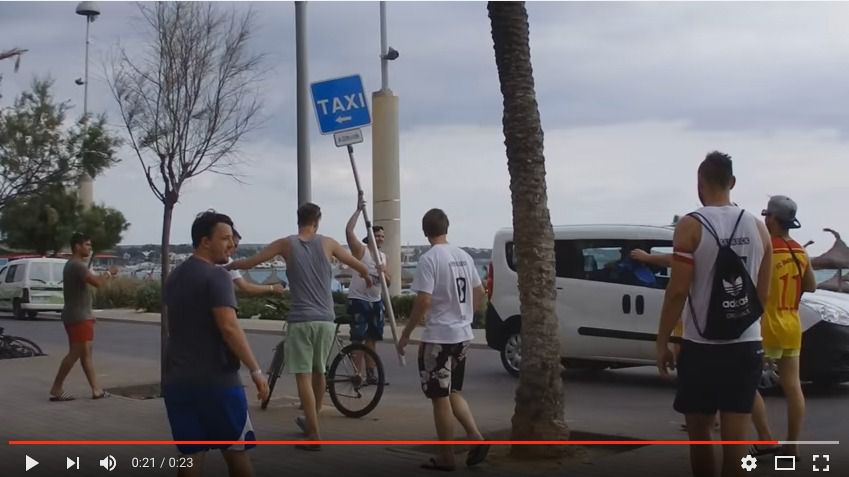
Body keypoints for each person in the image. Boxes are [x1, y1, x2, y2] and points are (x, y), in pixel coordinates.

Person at [656, 151, 772, 477]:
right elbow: (762, 293)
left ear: (700, 184)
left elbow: (678, 291)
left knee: (701, 436)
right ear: (732, 182)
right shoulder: (759, 228)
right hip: (746, 344)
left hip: (700, 345)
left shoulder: (691, 225)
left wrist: (662, 340)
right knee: (735, 443)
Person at [228, 202, 372, 451]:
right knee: (319, 373)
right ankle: (311, 422)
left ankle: (314, 434)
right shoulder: (328, 243)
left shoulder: (286, 243)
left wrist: (229, 265)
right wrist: (368, 277)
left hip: (301, 320)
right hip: (326, 320)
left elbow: (252, 261)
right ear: (318, 221)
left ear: (298, 220)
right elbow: (358, 263)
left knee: (303, 376)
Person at [163, 211, 269, 477]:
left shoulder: (174, 277)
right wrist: (256, 370)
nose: (231, 244)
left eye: (232, 239)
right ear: (204, 241)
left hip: (177, 382)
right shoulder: (218, 276)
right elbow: (229, 327)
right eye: (225, 238)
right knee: (236, 453)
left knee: (190, 456)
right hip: (217, 384)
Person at [398, 208, 488, 471]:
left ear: (425, 231)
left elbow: (423, 299)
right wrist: (468, 315)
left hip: (439, 336)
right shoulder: (463, 256)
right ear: (446, 227)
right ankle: (475, 437)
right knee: (453, 391)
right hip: (462, 335)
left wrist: (406, 333)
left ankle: (447, 457)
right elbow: (479, 291)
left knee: (439, 397)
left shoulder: (429, 259)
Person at [750, 196, 817, 458]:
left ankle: (766, 437)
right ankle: (792, 445)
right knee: (793, 386)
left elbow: (758, 290)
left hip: (767, 324)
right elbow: (811, 285)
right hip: (792, 324)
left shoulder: (766, 249)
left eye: (767, 216)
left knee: (745, 384)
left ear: (772, 220)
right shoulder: (800, 251)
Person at [49, 232, 117, 401]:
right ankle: (56, 388)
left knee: (86, 355)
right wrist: (109, 272)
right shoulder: (77, 266)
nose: (90, 248)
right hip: (78, 317)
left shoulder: (72, 265)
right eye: (87, 244)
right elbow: (98, 283)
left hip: (80, 315)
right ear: (77, 246)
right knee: (75, 353)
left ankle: (96, 390)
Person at [345, 194, 390, 384]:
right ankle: (357, 374)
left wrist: (382, 274)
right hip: (359, 300)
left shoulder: (383, 257)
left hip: (375, 301)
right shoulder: (361, 251)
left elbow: (388, 282)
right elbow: (348, 231)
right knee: (358, 339)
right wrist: (357, 210)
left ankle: (371, 374)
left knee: (372, 339)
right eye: (377, 235)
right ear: (370, 236)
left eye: (382, 236)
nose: (380, 238)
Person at [227, 229, 286, 296]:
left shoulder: (224, 261)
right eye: (234, 245)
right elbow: (246, 288)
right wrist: (272, 288)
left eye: (235, 246)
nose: (234, 248)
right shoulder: (227, 262)